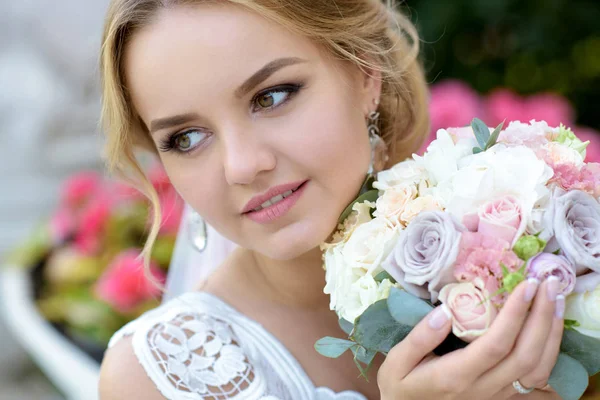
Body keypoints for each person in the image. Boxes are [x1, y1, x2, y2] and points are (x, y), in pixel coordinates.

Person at [97, 1, 564, 399]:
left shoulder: (523, 249)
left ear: (365, 73)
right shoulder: (156, 377)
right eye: (187, 138)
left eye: (272, 96)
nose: (241, 166)